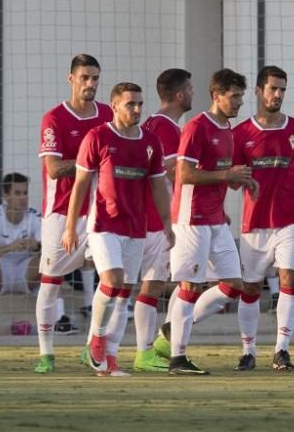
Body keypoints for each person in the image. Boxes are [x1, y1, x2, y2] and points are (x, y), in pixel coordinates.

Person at [217, 64, 294, 372]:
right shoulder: (240, 133)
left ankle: (282, 349)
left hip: (289, 220)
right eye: (272, 88)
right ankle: (248, 350)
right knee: (251, 289)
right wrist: (236, 178)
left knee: (289, 279)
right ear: (258, 91)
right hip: (254, 224)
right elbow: (230, 180)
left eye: (282, 89)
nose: (278, 94)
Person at [151, 68, 258, 375]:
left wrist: (240, 181)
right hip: (192, 218)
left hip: (215, 220)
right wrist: (227, 175)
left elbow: (222, 173)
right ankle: (178, 358)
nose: (238, 103)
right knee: (190, 285)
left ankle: (174, 329)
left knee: (234, 285)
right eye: (233, 96)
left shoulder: (228, 131)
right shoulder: (197, 127)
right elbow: (184, 175)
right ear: (217, 96)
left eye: (240, 96)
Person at [62, 81, 172, 377]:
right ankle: (96, 338)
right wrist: (71, 226)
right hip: (103, 225)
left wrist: (167, 224)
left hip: (136, 227)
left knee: (124, 293)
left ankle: (108, 360)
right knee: (112, 279)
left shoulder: (151, 142)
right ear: (114, 106)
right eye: (130, 104)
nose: (136, 109)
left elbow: (158, 186)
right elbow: (81, 185)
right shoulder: (97, 137)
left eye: (139, 104)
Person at [33, 54, 112, 374]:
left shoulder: (108, 114)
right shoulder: (54, 118)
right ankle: (46, 353)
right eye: (84, 78)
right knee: (51, 283)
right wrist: (90, 160)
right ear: (71, 79)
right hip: (62, 213)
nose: (90, 84)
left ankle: (93, 344)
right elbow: (53, 169)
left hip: (101, 212)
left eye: (95, 78)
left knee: (110, 280)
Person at [131, 68, 193, 373]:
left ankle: (157, 344)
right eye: (191, 89)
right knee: (155, 284)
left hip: (155, 216)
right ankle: (149, 349)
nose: (193, 94)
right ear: (180, 94)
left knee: (156, 284)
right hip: (157, 217)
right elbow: (172, 170)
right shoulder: (165, 128)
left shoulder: (157, 125)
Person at [0, 173, 42, 336]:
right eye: (18, 194)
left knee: (49, 261)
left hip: (25, 272)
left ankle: (60, 317)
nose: (23, 198)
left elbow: (50, 251)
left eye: (25, 193)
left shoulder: (35, 216)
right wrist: (8, 247)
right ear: (6, 196)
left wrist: (37, 245)